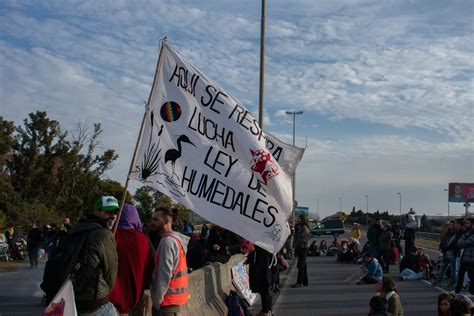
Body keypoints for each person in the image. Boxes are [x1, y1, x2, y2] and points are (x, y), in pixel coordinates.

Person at [70, 196, 119, 315]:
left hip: (73, 298)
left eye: (115, 212)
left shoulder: (76, 229)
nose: (112, 216)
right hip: (96, 302)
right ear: (97, 212)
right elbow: (111, 274)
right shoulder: (104, 234)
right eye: (108, 212)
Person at [109, 203, 154, 316]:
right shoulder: (143, 239)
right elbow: (149, 266)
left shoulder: (113, 236)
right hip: (135, 292)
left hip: (112, 293)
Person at [151, 207, 190, 315]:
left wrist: (157, 301)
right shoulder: (175, 240)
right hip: (173, 302)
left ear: (167, 221)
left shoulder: (167, 242)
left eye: (156, 219)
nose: (152, 222)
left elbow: (164, 275)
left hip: (165, 303)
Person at [249, 246, 274, 316]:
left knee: (264, 290)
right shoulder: (270, 245)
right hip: (267, 269)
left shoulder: (262, 246)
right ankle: (268, 310)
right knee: (266, 290)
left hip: (263, 269)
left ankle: (266, 311)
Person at [454, 217, 474, 295]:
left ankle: (472, 291)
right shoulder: (466, 233)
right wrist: (463, 241)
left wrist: (463, 241)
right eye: (466, 223)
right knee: (460, 275)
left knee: (472, 276)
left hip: (471, 259)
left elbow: (465, 243)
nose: (466, 225)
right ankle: (457, 290)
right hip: (464, 258)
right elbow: (459, 242)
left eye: (468, 223)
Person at [434, 221, 456, 287]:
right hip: (445, 252)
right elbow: (443, 240)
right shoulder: (448, 233)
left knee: (452, 269)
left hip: (452, 252)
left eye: (451, 225)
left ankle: (452, 282)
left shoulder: (455, 233)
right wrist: (441, 247)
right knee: (443, 267)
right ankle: (439, 281)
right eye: (449, 225)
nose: (450, 226)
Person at [292, 214, 311, 287]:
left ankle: (299, 282)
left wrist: (294, 246)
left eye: (298, 218)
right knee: (303, 265)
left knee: (300, 265)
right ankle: (305, 282)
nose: (297, 220)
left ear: (302, 219)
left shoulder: (304, 228)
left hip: (303, 247)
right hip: (302, 247)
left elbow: (299, 238)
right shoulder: (301, 227)